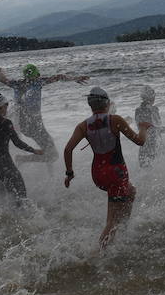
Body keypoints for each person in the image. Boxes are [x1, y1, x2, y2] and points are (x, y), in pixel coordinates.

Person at [62, 86, 149, 249]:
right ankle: (100, 254)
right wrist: (144, 128)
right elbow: (140, 141)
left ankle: (123, 230)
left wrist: (69, 173)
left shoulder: (83, 126)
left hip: (98, 174)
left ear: (91, 105)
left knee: (131, 192)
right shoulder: (115, 120)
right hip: (116, 174)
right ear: (107, 103)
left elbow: (68, 149)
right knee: (111, 221)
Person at [0, 64, 89, 160]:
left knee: (49, 149)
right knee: (53, 155)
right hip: (34, 125)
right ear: (38, 74)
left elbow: (2, 79)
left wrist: (0, 70)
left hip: (24, 125)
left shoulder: (17, 83)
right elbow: (59, 76)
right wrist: (75, 78)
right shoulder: (38, 82)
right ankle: (22, 159)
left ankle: (48, 173)